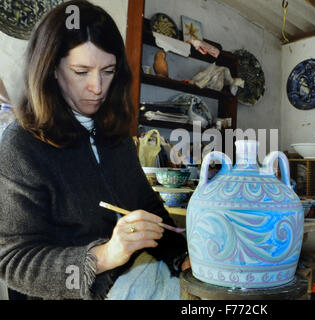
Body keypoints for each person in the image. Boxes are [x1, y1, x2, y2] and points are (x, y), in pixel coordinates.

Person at [0, 0, 189, 300]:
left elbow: (148, 209)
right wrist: (104, 255)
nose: (97, 87)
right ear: (51, 69)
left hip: (130, 281)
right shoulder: (21, 144)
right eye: (81, 70)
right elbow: (14, 262)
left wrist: (181, 257)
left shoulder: (113, 134)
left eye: (108, 71)